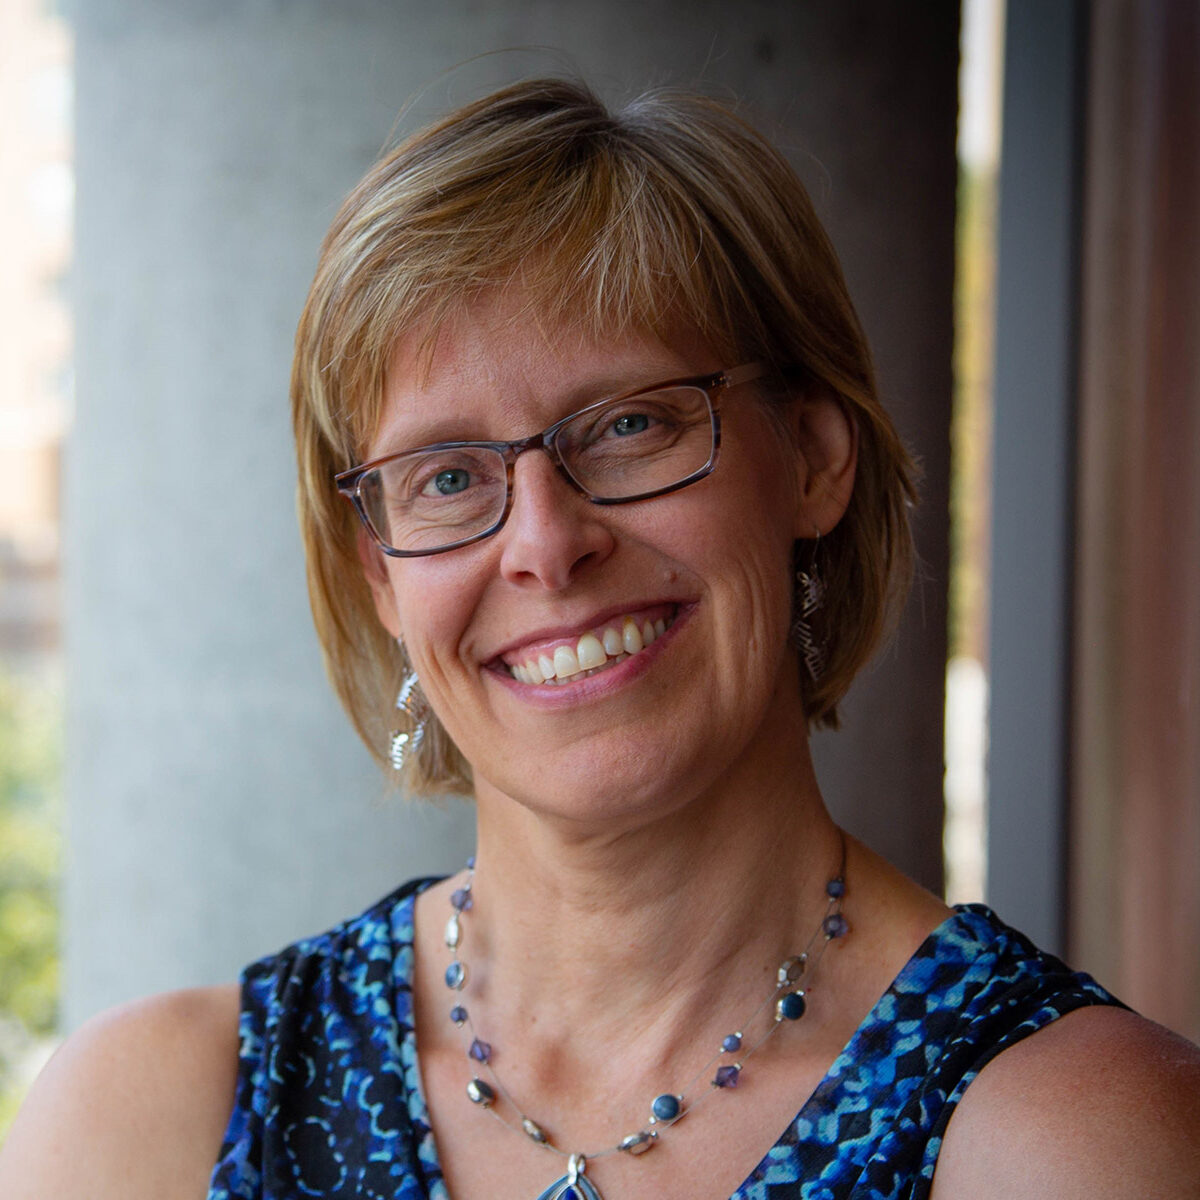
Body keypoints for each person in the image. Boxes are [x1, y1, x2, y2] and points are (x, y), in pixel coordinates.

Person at [2, 77, 1198, 1200]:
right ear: (379, 575)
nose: (543, 543)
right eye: (448, 476)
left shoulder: (1065, 1138)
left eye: (630, 425)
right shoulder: (151, 1125)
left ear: (817, 462)